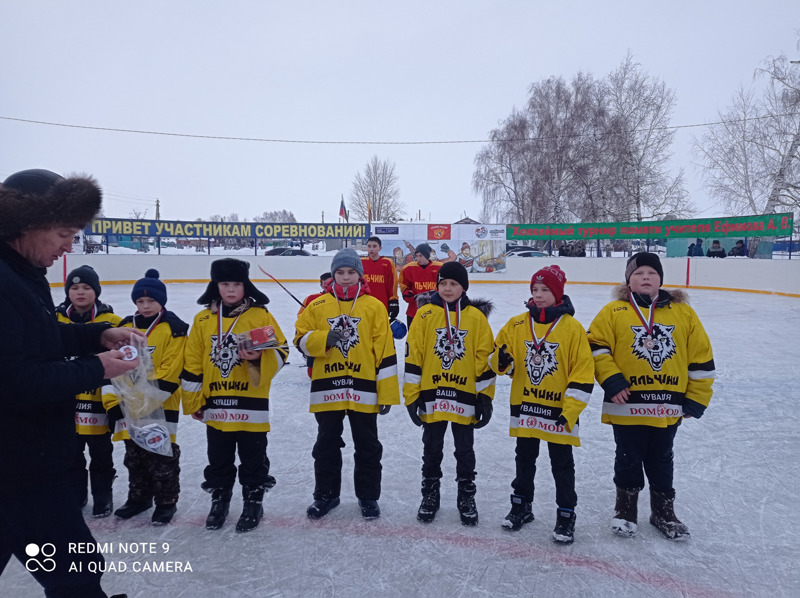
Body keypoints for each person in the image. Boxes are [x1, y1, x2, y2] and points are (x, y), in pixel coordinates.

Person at [0, 168, 140, 598]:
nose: (69, 247)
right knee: (74, 572)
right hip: (21, 467)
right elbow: (17, 380)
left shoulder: (23, 272)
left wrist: (94, 332)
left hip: (29, 458)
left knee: (75, 569)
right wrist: (96, 368)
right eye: (64, 232)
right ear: (25, 224)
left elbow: (36, 337)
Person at [586, 252, 715, 541]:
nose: (646, 277)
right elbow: (595, 345)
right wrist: (612, 380)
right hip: (627, 402)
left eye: (652, 273)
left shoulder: (683, 314)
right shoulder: (613, 312)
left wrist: (697, 398)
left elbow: (701, 357)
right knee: (628, 456)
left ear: (660, 279)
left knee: (661, 457)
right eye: (639, 273)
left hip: (667, 404)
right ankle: (625, 509)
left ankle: (663, 511)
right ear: (628, 281)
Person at [182, 258, 289, 532]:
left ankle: (254, 500)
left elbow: (282, 351)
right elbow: (192, 363)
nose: (230, 290)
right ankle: (220, 499)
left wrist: (258, 357)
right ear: (215, 286)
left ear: (246, 286)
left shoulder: (259, 316)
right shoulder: (203, 319)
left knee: (253, 458)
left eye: (237, 284)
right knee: (219, 458)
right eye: (225, 284)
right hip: (216, 404)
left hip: (250, 404)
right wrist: (194, 401)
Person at [294, 249, 399, 520]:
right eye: (340, 272)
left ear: (360, 275)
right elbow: (300, 339)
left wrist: (386, 392)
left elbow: (385, 350)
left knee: (368, 445)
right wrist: (322, 339)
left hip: (363, 387)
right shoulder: (317, 305)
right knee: (326, 443)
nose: (345, 277)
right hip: (327, 387)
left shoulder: (375, 306)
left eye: (351, 272)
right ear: (332, 275)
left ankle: (368, 496)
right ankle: (326, 495)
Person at [492, 265, 594, 543]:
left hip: (559, 413)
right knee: (524, 460)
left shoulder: (572, 329)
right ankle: (521, 506)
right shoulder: (516, 324)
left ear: (558, 293)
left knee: (562, 465)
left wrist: (570, 411)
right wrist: (501, 362)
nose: (538, 295)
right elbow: (498, 357)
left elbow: (582, 373)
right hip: (525, 409)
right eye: (534, 290)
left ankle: (565, 514)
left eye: (545, 290)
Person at [404, 262, 495, 526]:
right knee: (431, 449)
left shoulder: (476, 318)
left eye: (453, 284)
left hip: (464, 397)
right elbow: (414, 355)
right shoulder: (424, 315)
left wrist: (485, 397)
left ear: (464, 287)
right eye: (443, 283)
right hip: (431, 395)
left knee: (464, 450)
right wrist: (412, 396)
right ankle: (430, 494)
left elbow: (484, 359)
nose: (447, 288)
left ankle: (466, 495)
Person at [102, 269, 188, 526]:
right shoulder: (123, 328)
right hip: (128, 405)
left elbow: (172, 370)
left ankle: (166, 501)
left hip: (160, 404)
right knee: (134, 455)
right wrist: (114, 403)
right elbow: (110, 367)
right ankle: (139, 497)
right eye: (140, 301)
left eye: (151, 301)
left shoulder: (174, 329)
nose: (145, 305)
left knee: (161, 455)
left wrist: (139, 399)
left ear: (162, 301)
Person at [56, 265, 122, 518]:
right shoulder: (55, 320)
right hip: (65, 401)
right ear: (67, 292)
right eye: (74, 288)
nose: (80, 292)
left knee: (101, 452)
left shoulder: (112, 323)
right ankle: (77, 493)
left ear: (96, 291)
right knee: (71, 453)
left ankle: (103, 495)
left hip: (99, 401)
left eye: (86, 287)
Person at [399, 243, 442, 329]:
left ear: (427, 255)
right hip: (414, 311)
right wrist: (406, 292)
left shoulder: (439, 267)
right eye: (416, 256)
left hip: (435, 311)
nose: (418, 258)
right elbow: (403, 284)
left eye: (421, 256)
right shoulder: (408, 268)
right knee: (413, 339)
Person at [361, 236, 399, 321]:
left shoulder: (387, 262)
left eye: (374, 246)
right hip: (364, 303)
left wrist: (393, 300)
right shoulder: (362, 262)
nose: (371, 249)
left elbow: (392, 283)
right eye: (369, 246)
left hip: (382, 303)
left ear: (380, 248)